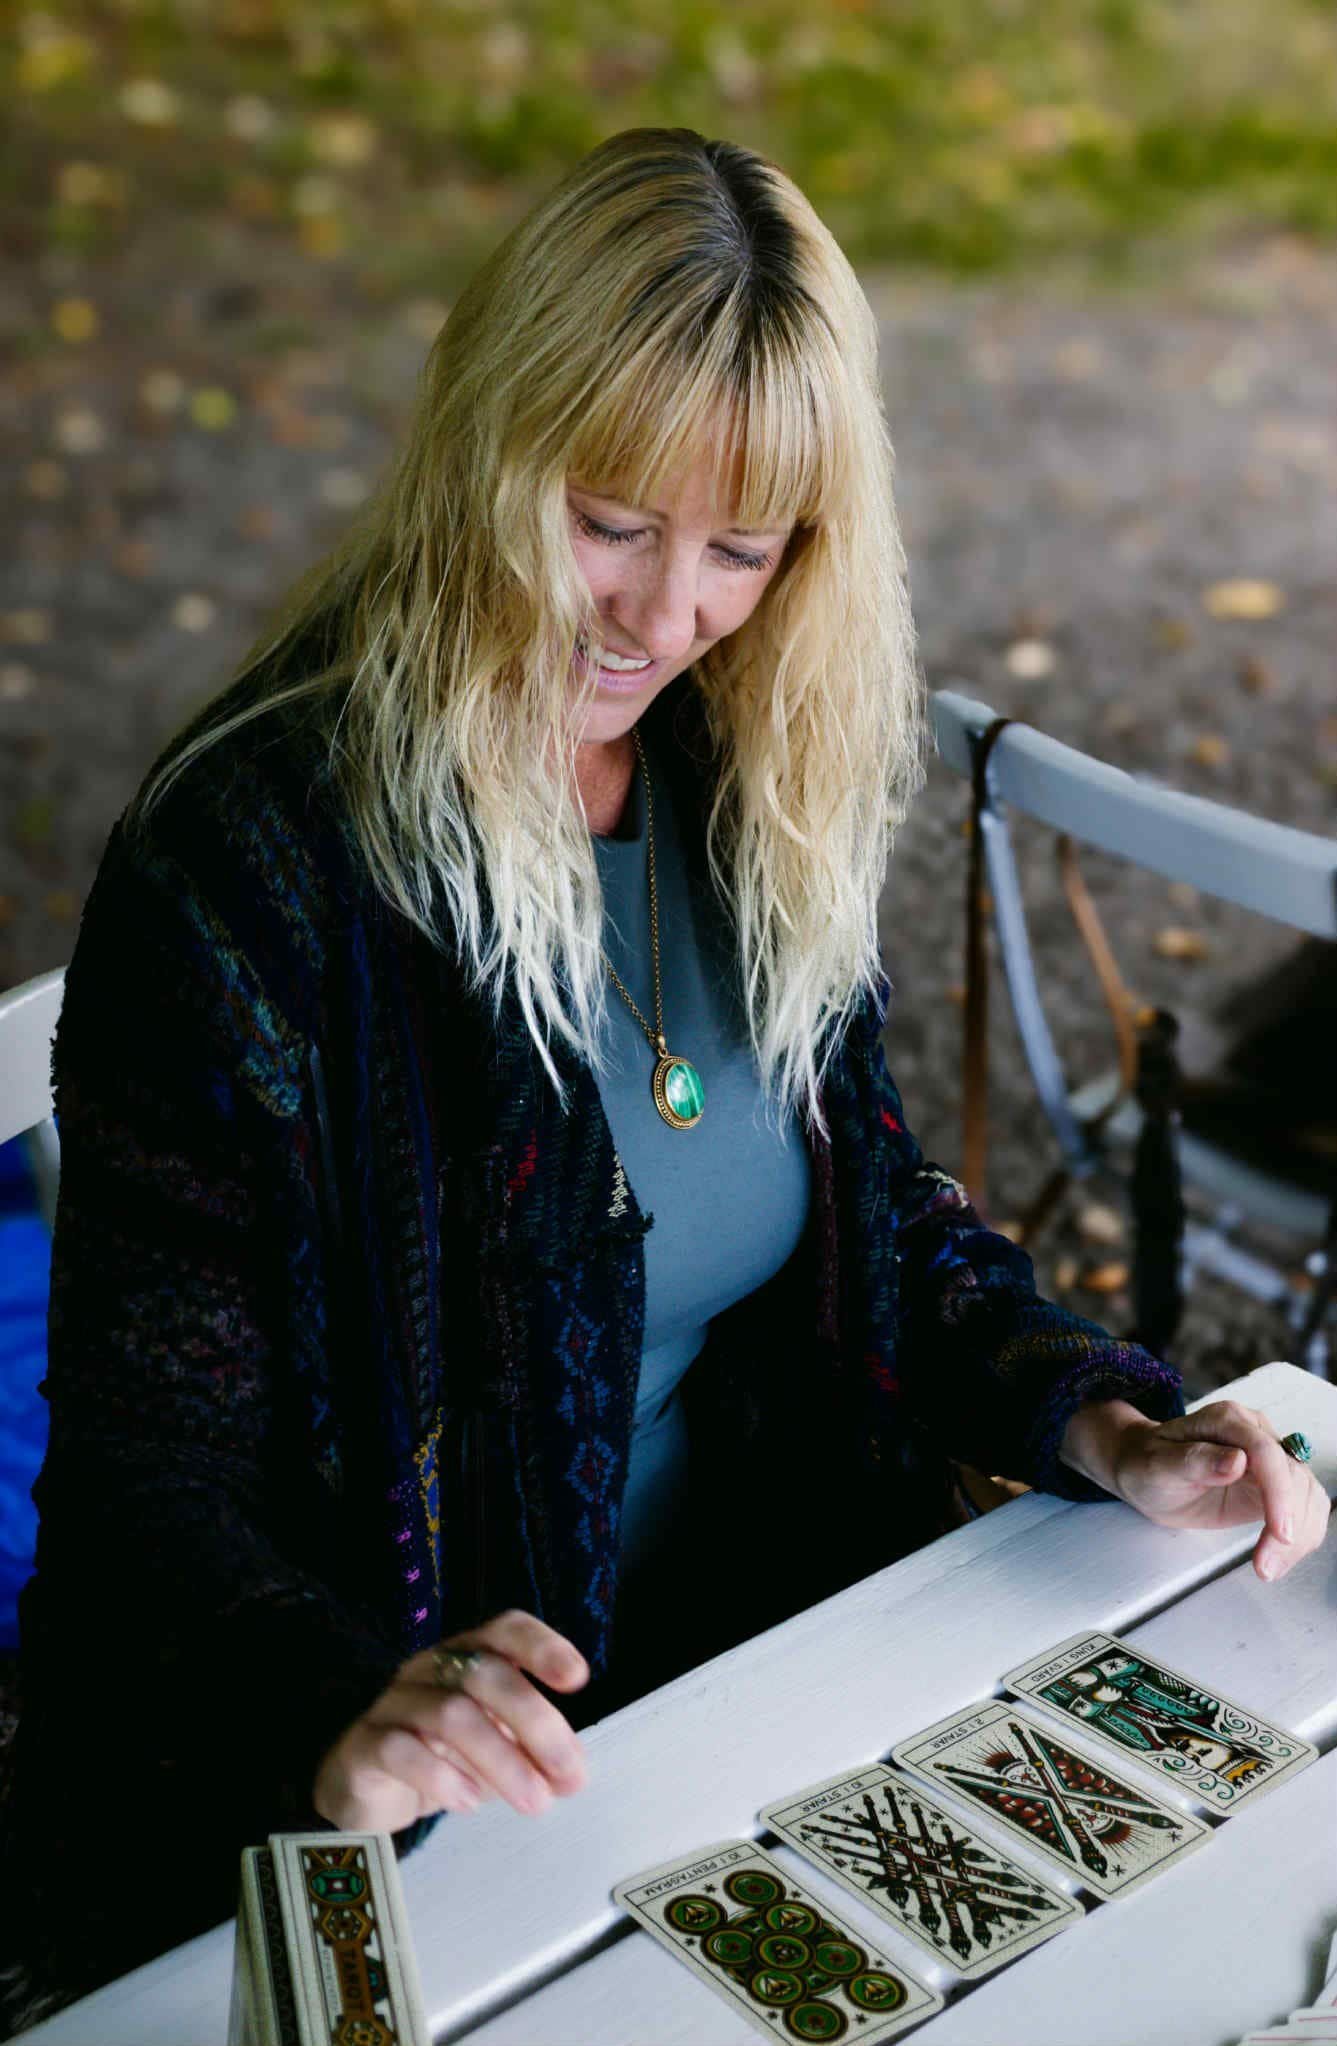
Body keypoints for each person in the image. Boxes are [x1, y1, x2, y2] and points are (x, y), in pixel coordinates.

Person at [2, 125, 1327, 2030]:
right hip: (443, 1812)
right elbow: (145, 1485)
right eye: (611, 519)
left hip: (765, 1694)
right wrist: (340, 1705)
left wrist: (1105, 1423)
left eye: (741, 549)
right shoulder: (247, 867)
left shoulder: (736, 765)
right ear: (488, 445)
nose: (663, 615)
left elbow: (873, 1226)